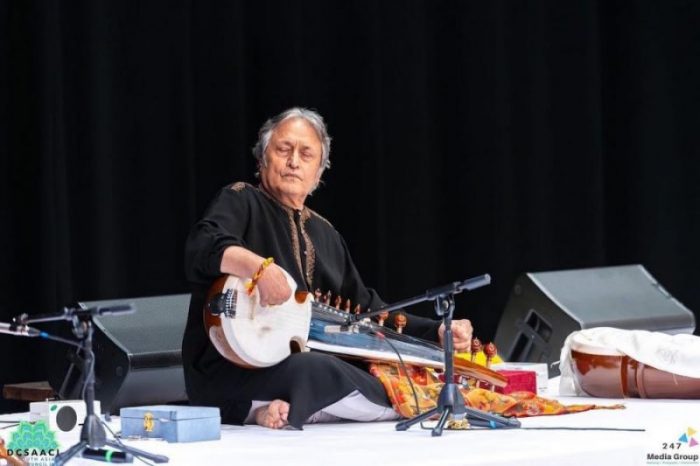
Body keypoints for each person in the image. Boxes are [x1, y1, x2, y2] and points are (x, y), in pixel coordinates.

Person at [182, 107, 473, 429]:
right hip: (231, 367)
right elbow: (202, 245)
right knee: (314, 370)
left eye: (306, 155)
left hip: (288, 365)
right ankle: (392, 406)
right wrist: (259, 269)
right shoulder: (241, 199)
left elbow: (365, 309)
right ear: (262, 159)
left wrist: (435, 332)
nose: (294, 162)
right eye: (283, 150)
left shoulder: (325, 234)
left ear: (319, 173)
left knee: (374, 368)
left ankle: (279, 408)